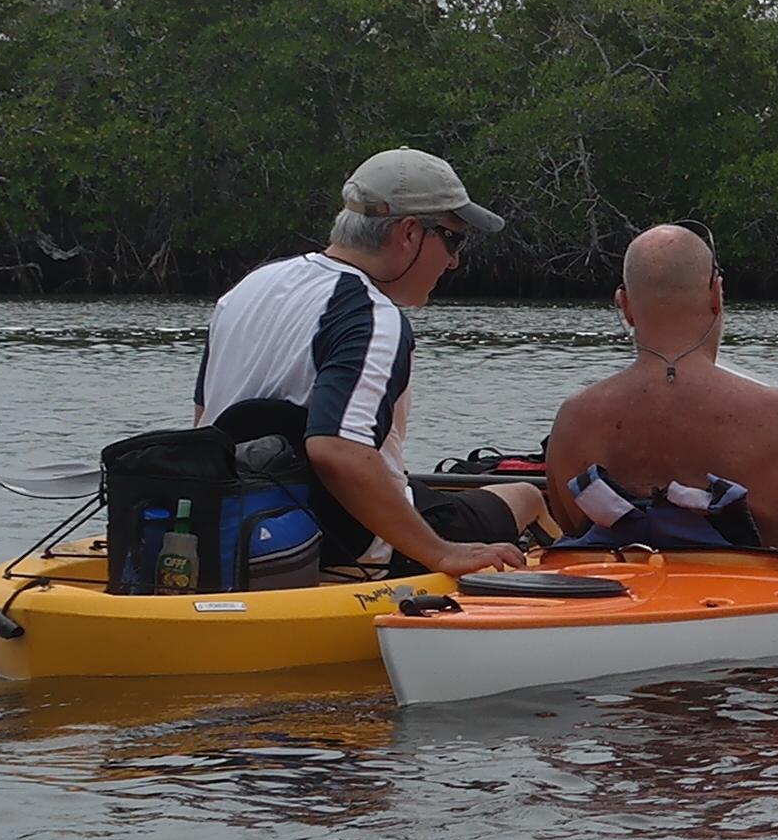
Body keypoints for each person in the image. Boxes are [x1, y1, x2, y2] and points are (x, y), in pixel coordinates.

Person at [195, 149, 534, 579]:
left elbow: (206, 425)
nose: (454, 261)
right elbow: (338, 451)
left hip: (234, 526)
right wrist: (442, 555)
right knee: (526, 496)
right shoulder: (372, 315)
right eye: (453, 239)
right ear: (409, 233)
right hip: (350, 546)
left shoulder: (247, 290)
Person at [540, 225, 778, 559]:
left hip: (617, 599)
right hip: (753, 601)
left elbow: (568, 531)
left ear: (625, 306)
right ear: (716, 293)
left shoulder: (574, 418)